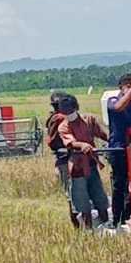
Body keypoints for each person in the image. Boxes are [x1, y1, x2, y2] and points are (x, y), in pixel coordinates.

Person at [57, 95, 110, 229]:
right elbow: (71, 142)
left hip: (91, 165)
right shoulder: (63, 127)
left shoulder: (89, 120)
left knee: (100, 199)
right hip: (77, 169)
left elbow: (103, 134)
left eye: (71, 111)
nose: (69, 114)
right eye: (65, 112)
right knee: (83, 204)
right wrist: (82, 145)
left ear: (76, 108)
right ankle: (88, 231)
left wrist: (113, 140)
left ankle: (106, 226)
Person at [105, 73, 131, 227]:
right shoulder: (113, 100)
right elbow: (118, 107)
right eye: (127, 85)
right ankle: (117, 218)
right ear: (121, 87)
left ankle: (130, 213)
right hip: (118, 148)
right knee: (120, 184)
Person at [46, 91, 78, 227]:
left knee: (73, 195)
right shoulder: (59, 119)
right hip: (66, 160)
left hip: (64, 160)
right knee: (73, 195)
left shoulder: (55, 118)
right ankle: (78, 225)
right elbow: (52, 142)